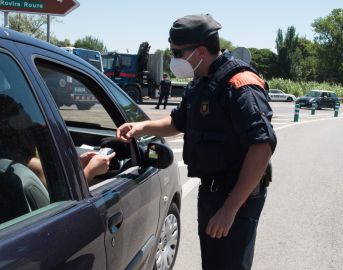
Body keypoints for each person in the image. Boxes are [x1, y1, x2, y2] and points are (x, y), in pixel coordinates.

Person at [116, 14, 277, 270]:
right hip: (211, 191)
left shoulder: (239, 85)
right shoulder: (201, 82)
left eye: (176, 52)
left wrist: (229, 209)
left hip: (237, 196)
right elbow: (178, 122)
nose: (173, 58)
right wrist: (141, 127)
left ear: (200, 51)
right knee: (213, 263)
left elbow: (262, 145)